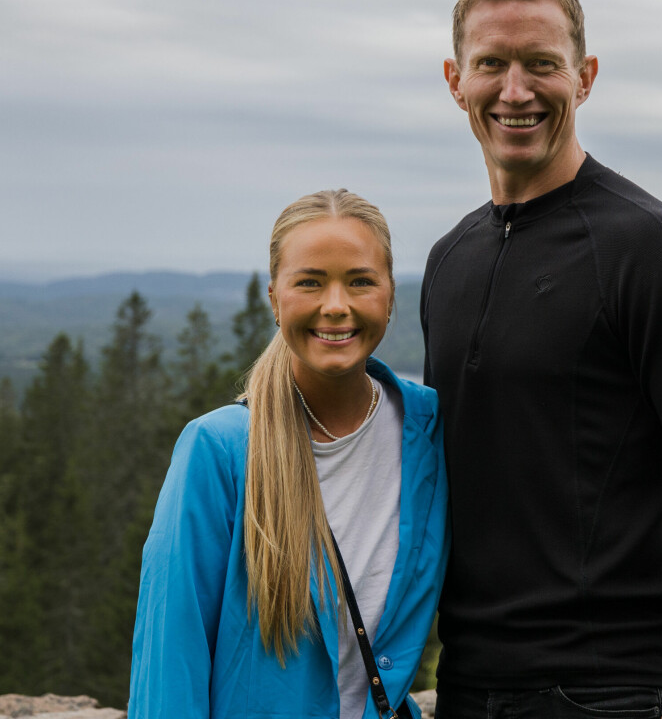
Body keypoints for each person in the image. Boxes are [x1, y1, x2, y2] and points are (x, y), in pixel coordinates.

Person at [421, 0, 662, 719]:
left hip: (609, 694)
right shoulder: (450, 260)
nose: (516, 91)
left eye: (542, 65)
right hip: (467, 690)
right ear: (456, 79)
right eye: (492, 65)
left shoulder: (652, 251)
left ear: (584, 77)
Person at [129, 189, 449, 719]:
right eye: (310, 282)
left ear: (391, 297)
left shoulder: (429, 432)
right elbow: (170, 661)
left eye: (361, 281)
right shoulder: (219, 451)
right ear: (275, 299)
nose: (336, 305)